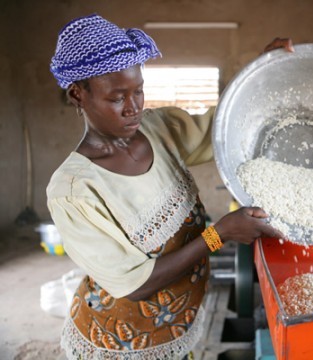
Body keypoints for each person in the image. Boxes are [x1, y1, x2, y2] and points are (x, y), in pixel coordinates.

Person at [47, 14, 291, 360]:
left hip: (175, 325)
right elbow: (137, 283)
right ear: (78, 94)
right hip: (123, 342)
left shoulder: (157, 130)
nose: (134, 108)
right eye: (117, 98)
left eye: (139, 91)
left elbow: (221, 125)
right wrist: (218, 235)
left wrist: (259, 73)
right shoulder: (75, 191)